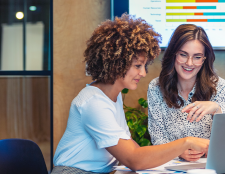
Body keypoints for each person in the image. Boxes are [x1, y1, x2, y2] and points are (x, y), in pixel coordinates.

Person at [52, 15, 209, 174]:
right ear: (116, 63)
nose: (143, 73)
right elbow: (133, 158)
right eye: (137, 66)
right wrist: (186, 143)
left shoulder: (113, 96)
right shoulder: (93, 102)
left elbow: (133, 148)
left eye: (144, 66)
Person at [148, 24, 225, 162]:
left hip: (209, 165)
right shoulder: (156, 88)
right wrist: (179, 151)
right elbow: (158, 139)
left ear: (204, 59)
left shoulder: (219, 86)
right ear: (173, 54)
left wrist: (217, 109)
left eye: (197, 57)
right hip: (171, 165)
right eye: (183, 55)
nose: (189, 63)